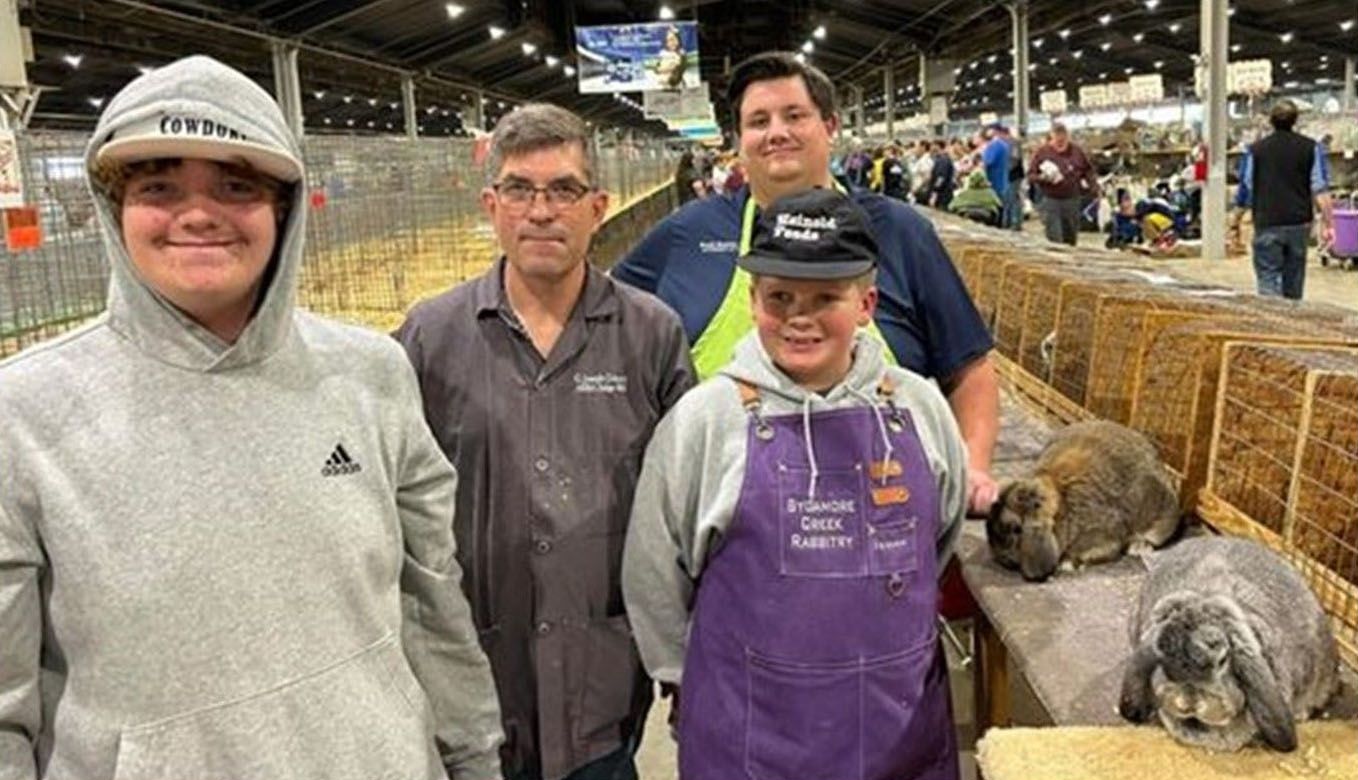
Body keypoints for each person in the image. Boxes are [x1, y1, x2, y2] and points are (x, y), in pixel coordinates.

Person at [0, 55, 503, 780]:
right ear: (116, 210)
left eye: (236, 185)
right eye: (159, 186)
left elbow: (431, 606)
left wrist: (473, 758)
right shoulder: (23, 412)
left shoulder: (369, 373)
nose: (198, 213)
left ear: (282, 209)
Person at [622, 187, 968, 780]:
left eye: (826, 297)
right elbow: (654, 572)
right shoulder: (707, 421)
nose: (799, 317)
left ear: (867, 303)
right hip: (750, 737)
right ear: (753, 300)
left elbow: (939, 537)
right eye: (779, 296)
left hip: (900, 732)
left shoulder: (918, 407)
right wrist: (689, 680)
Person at [394, 103, 696, 780]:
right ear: (491, 204)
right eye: (521, 190)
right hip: (471, 701)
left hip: (606, 696)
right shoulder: (428, 339)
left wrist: (682, 657)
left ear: (597, 205)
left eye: (563, 190)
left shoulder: (652, 336)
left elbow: (685, 508)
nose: (541, 211)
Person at [612, 51, 998, 515]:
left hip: (885, 513)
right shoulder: (687, 234)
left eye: (794, 115)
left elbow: (970, 368)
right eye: (758, 121)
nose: (777, 132)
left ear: (830, 126)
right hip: (728, 520)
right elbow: (604, 325)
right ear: (739, 140)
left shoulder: (898, 231)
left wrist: (973, 469)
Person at [1230, 100, 1334, 300]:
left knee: (1268, 280)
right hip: (1299, 224)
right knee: (1294, 283)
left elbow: (1247, 187)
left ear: (1270, 121)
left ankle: (1273, 325)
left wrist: (1235, 220)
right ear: (1295, 120)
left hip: (1267, 221)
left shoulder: (1255, 150)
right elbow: (1320, 189)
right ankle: (1293, 325)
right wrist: (1330, 225)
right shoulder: (1311, 148)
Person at [1027, 121, 1100, 245]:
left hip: (1072, 199)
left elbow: (1088, 170)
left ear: (1067, 137)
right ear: (1052, 137)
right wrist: (1043, 178)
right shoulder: (1042, 152)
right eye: (1057, 141)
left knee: (1070, 236)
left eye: (1063, 141)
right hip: (1050, 200)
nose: (1061, 144)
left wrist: (1094, 186)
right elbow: (1030, 175)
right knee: (1054, 236)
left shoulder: (1077, 151)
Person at [929, 138, 957, 210]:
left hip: (942, 195)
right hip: (942, 194)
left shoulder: (943, 159)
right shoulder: (941, 158)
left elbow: (941, 178)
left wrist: (935, 192)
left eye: (933, 145)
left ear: (938, 146)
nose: (931, 147)